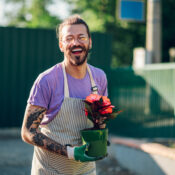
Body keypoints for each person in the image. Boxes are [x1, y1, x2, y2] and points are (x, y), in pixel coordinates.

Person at [21, 14, 108, 175]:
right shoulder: (47, 80)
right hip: (49, 170)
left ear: (90, 42)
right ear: (61, 45)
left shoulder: (99, 78)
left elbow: (99, 120)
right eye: (69, 38)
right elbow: (28, 132)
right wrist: (70, 152)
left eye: (81, 37)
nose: (75, 42)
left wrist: (100, 137)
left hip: (85, 170)